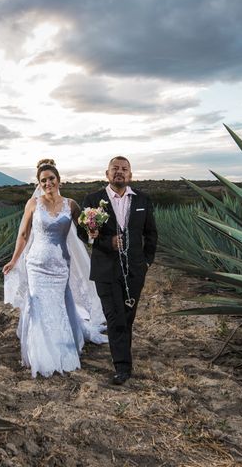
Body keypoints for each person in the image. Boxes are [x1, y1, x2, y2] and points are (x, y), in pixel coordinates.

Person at [3, 159, 107, 378]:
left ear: (59, 180)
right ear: (39, 184)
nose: (48, 183)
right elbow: (23, 235)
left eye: (51, 179)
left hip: (60, 265)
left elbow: (82, 233)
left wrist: (92, 231)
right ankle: (40, 353)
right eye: (43, 180)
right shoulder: (33, 204)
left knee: (57, 306)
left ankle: (63, 347)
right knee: (39, 306)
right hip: (36, 264)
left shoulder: (71, 205)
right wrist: (14, 260)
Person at [78, 156, 157, 385]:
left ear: (130, 175)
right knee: (115, 318)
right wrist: (104, 242)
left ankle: (122, 358)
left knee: (127, 318)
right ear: (107, 174)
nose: (119, 172)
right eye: (115, 169)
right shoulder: (93, 199)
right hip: (106, 270)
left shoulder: (143, 199)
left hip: (135, 271)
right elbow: (83, 233)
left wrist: (147, 262)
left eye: (124, 169)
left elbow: (151, 233)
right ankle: (122, 367)